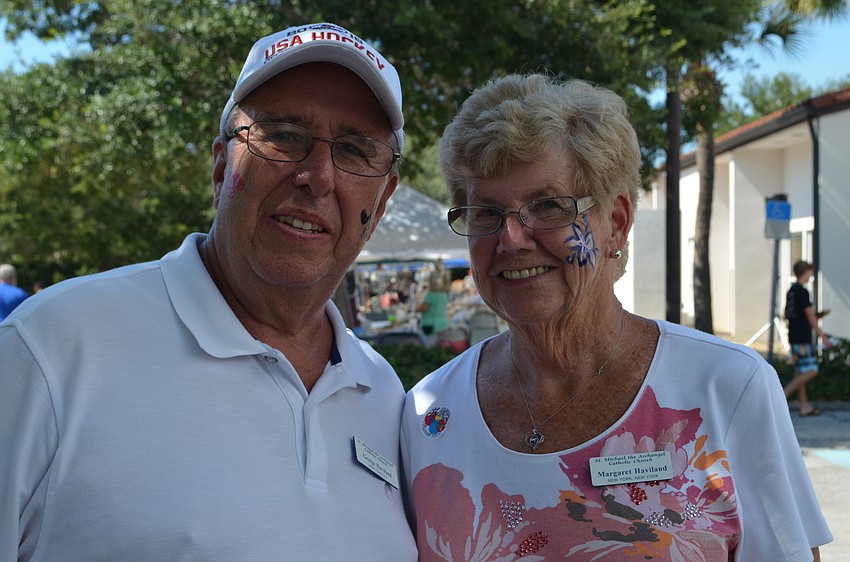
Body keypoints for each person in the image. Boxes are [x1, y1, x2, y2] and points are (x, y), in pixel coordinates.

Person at [0, 22, 417, 560]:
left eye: (355, 150)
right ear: (222, 165)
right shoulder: (51, 349)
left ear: (381, 202)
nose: (317, 176)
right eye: (285, 135)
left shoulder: (383, 395)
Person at [401, 73, 831, 561]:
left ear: (617, 223)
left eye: (547, 206)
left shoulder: (727, 389)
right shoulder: (429, 416)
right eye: (486, 212)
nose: (513, 237)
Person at [783, 260, 833, 417]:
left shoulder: (791, 291)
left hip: (794, 336)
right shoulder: (802, 291)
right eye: (810, 271)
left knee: (800, 372)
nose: (811, 274)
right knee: (812, 370)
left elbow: (788, 314)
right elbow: (810, 316)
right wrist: (823, 337)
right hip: (803, 338)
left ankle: (804, 407)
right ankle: (780, 397)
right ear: (805, 271)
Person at [417, 259, 451, 346]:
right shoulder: (444, 294)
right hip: (443, 323)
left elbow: (424, 308)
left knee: (430, 348)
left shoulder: (430, 295)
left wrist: (417, 307)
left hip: (430, 325)